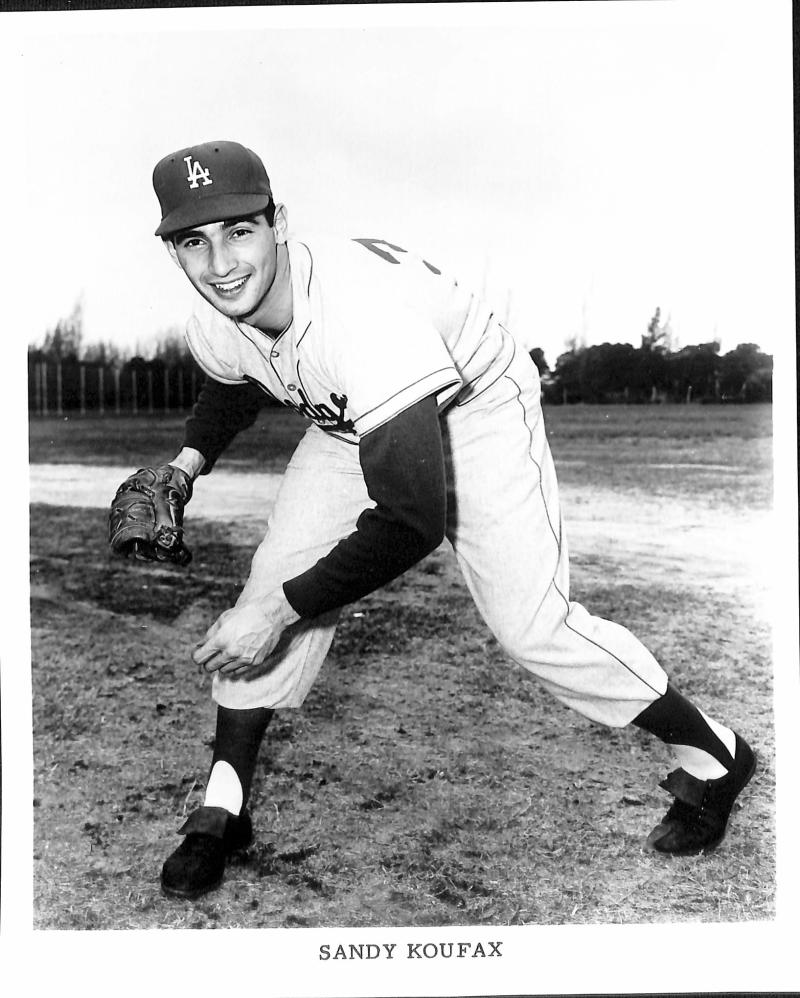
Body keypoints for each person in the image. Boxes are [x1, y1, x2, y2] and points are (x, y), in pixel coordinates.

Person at [129, 140, 755, 900]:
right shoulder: (217, 313)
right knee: (269, 580)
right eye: (194, 241)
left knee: (534, 627)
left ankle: (715, 753)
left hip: (475, 403)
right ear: (173, 252)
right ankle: (222, 803)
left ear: (279, 223)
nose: (221, 261)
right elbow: (237, 378)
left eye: (239, 231)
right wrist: (188, 465)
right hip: (355, 420)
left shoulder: (361, 316)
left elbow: (409, 519)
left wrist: (281, 610)